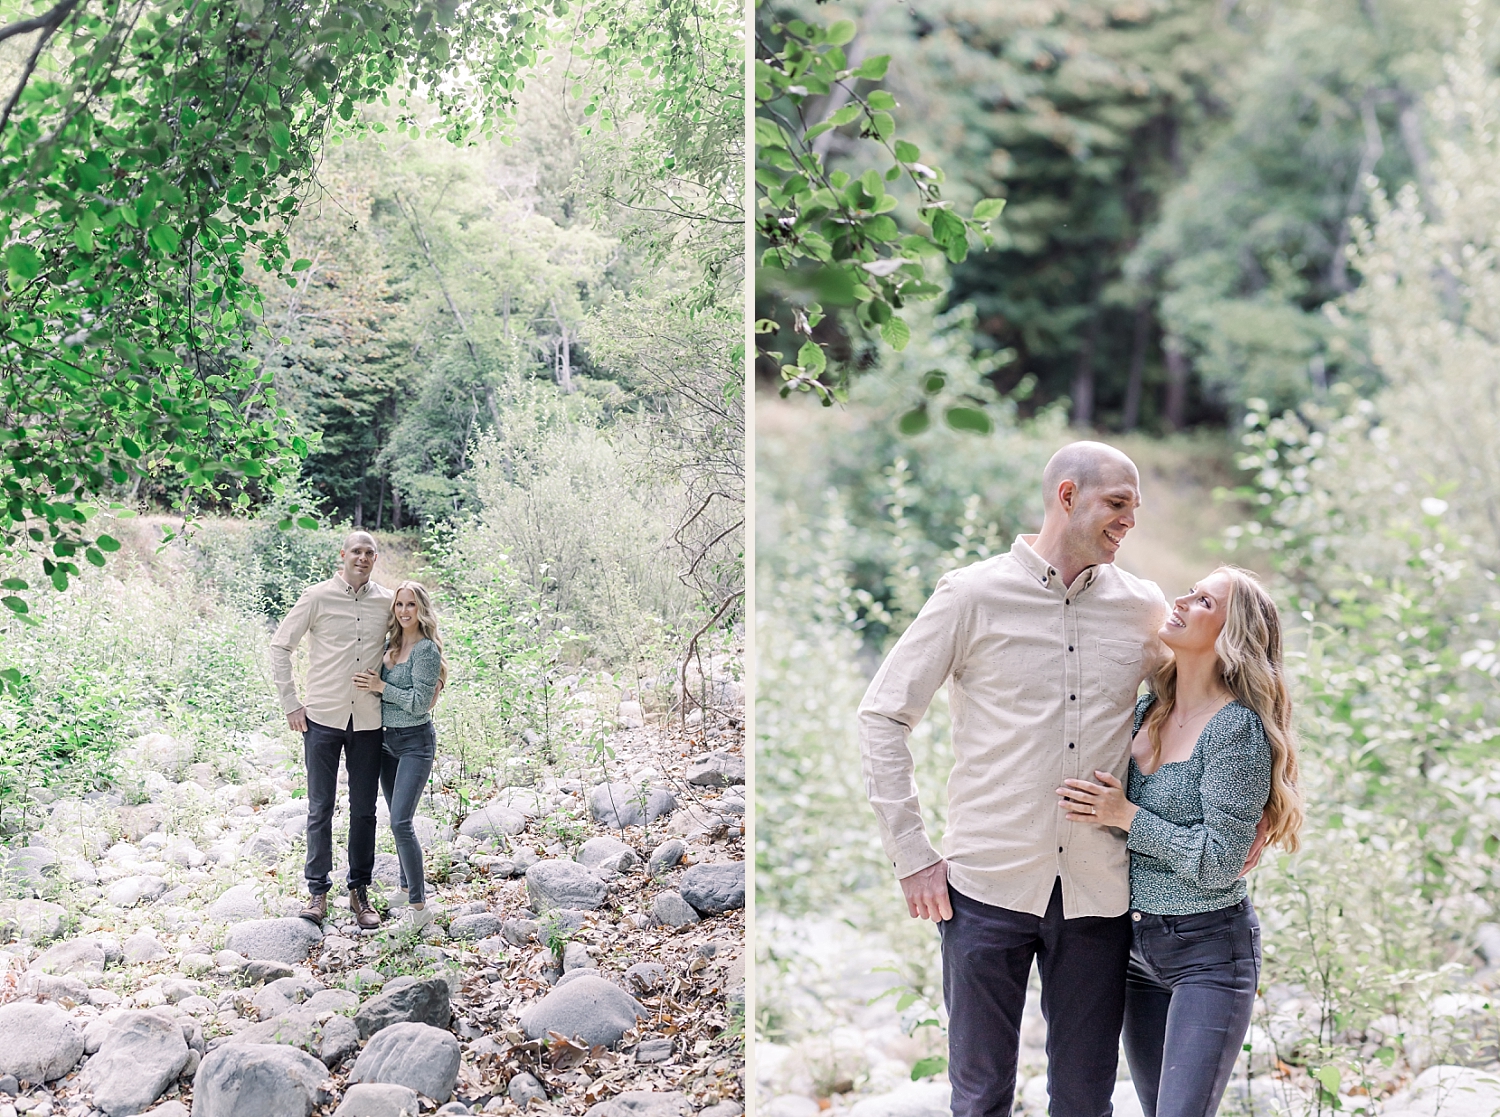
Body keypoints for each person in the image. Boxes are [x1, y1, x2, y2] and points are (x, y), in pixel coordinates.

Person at [858, 441, 1170, 1117]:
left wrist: (1248, 804)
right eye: (1117, 504)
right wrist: (912, 855)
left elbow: (1206, 698)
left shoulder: (1143, 607)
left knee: (1086, 1101)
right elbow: (883, 715)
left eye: (1134, 508)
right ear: (1067, 496)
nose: (1129, 521)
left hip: (1097, 893)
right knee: (980, 1097)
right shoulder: (970, 595)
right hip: (983, 888)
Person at [1057, 567, 1302, 1117]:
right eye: (1190, 591)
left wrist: (1127, 815)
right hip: (1133, 949)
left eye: (1204, 602)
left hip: (1208, 953)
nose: (1183, 601)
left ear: (1230, 635)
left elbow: (1220, 862)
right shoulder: (1149, 708)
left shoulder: (1235, 730)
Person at [270, 530, 392, 930]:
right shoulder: (317, 596)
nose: (362, 558)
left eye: (369, 553)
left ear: (375, 558)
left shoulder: (388, 602)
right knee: (320, 807)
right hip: (321, 717)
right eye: (356, 551)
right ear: (343, 555)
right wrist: (291, 702)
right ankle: (317, 891)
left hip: (370, 720)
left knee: (365, 810)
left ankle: (359, 891)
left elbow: (416, 641)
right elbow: (280, 646)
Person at [353, 580, 447, 931]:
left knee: (401, 823)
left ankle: (419, 906)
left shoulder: (425, 651)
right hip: (385, 743)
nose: (404, 611)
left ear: (421, 609)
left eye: (411, 605)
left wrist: (381, 687)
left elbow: (420, 704)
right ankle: (406, 886)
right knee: (395, 817)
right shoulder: (390, 645)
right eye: (399, 605)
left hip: (414, 743)